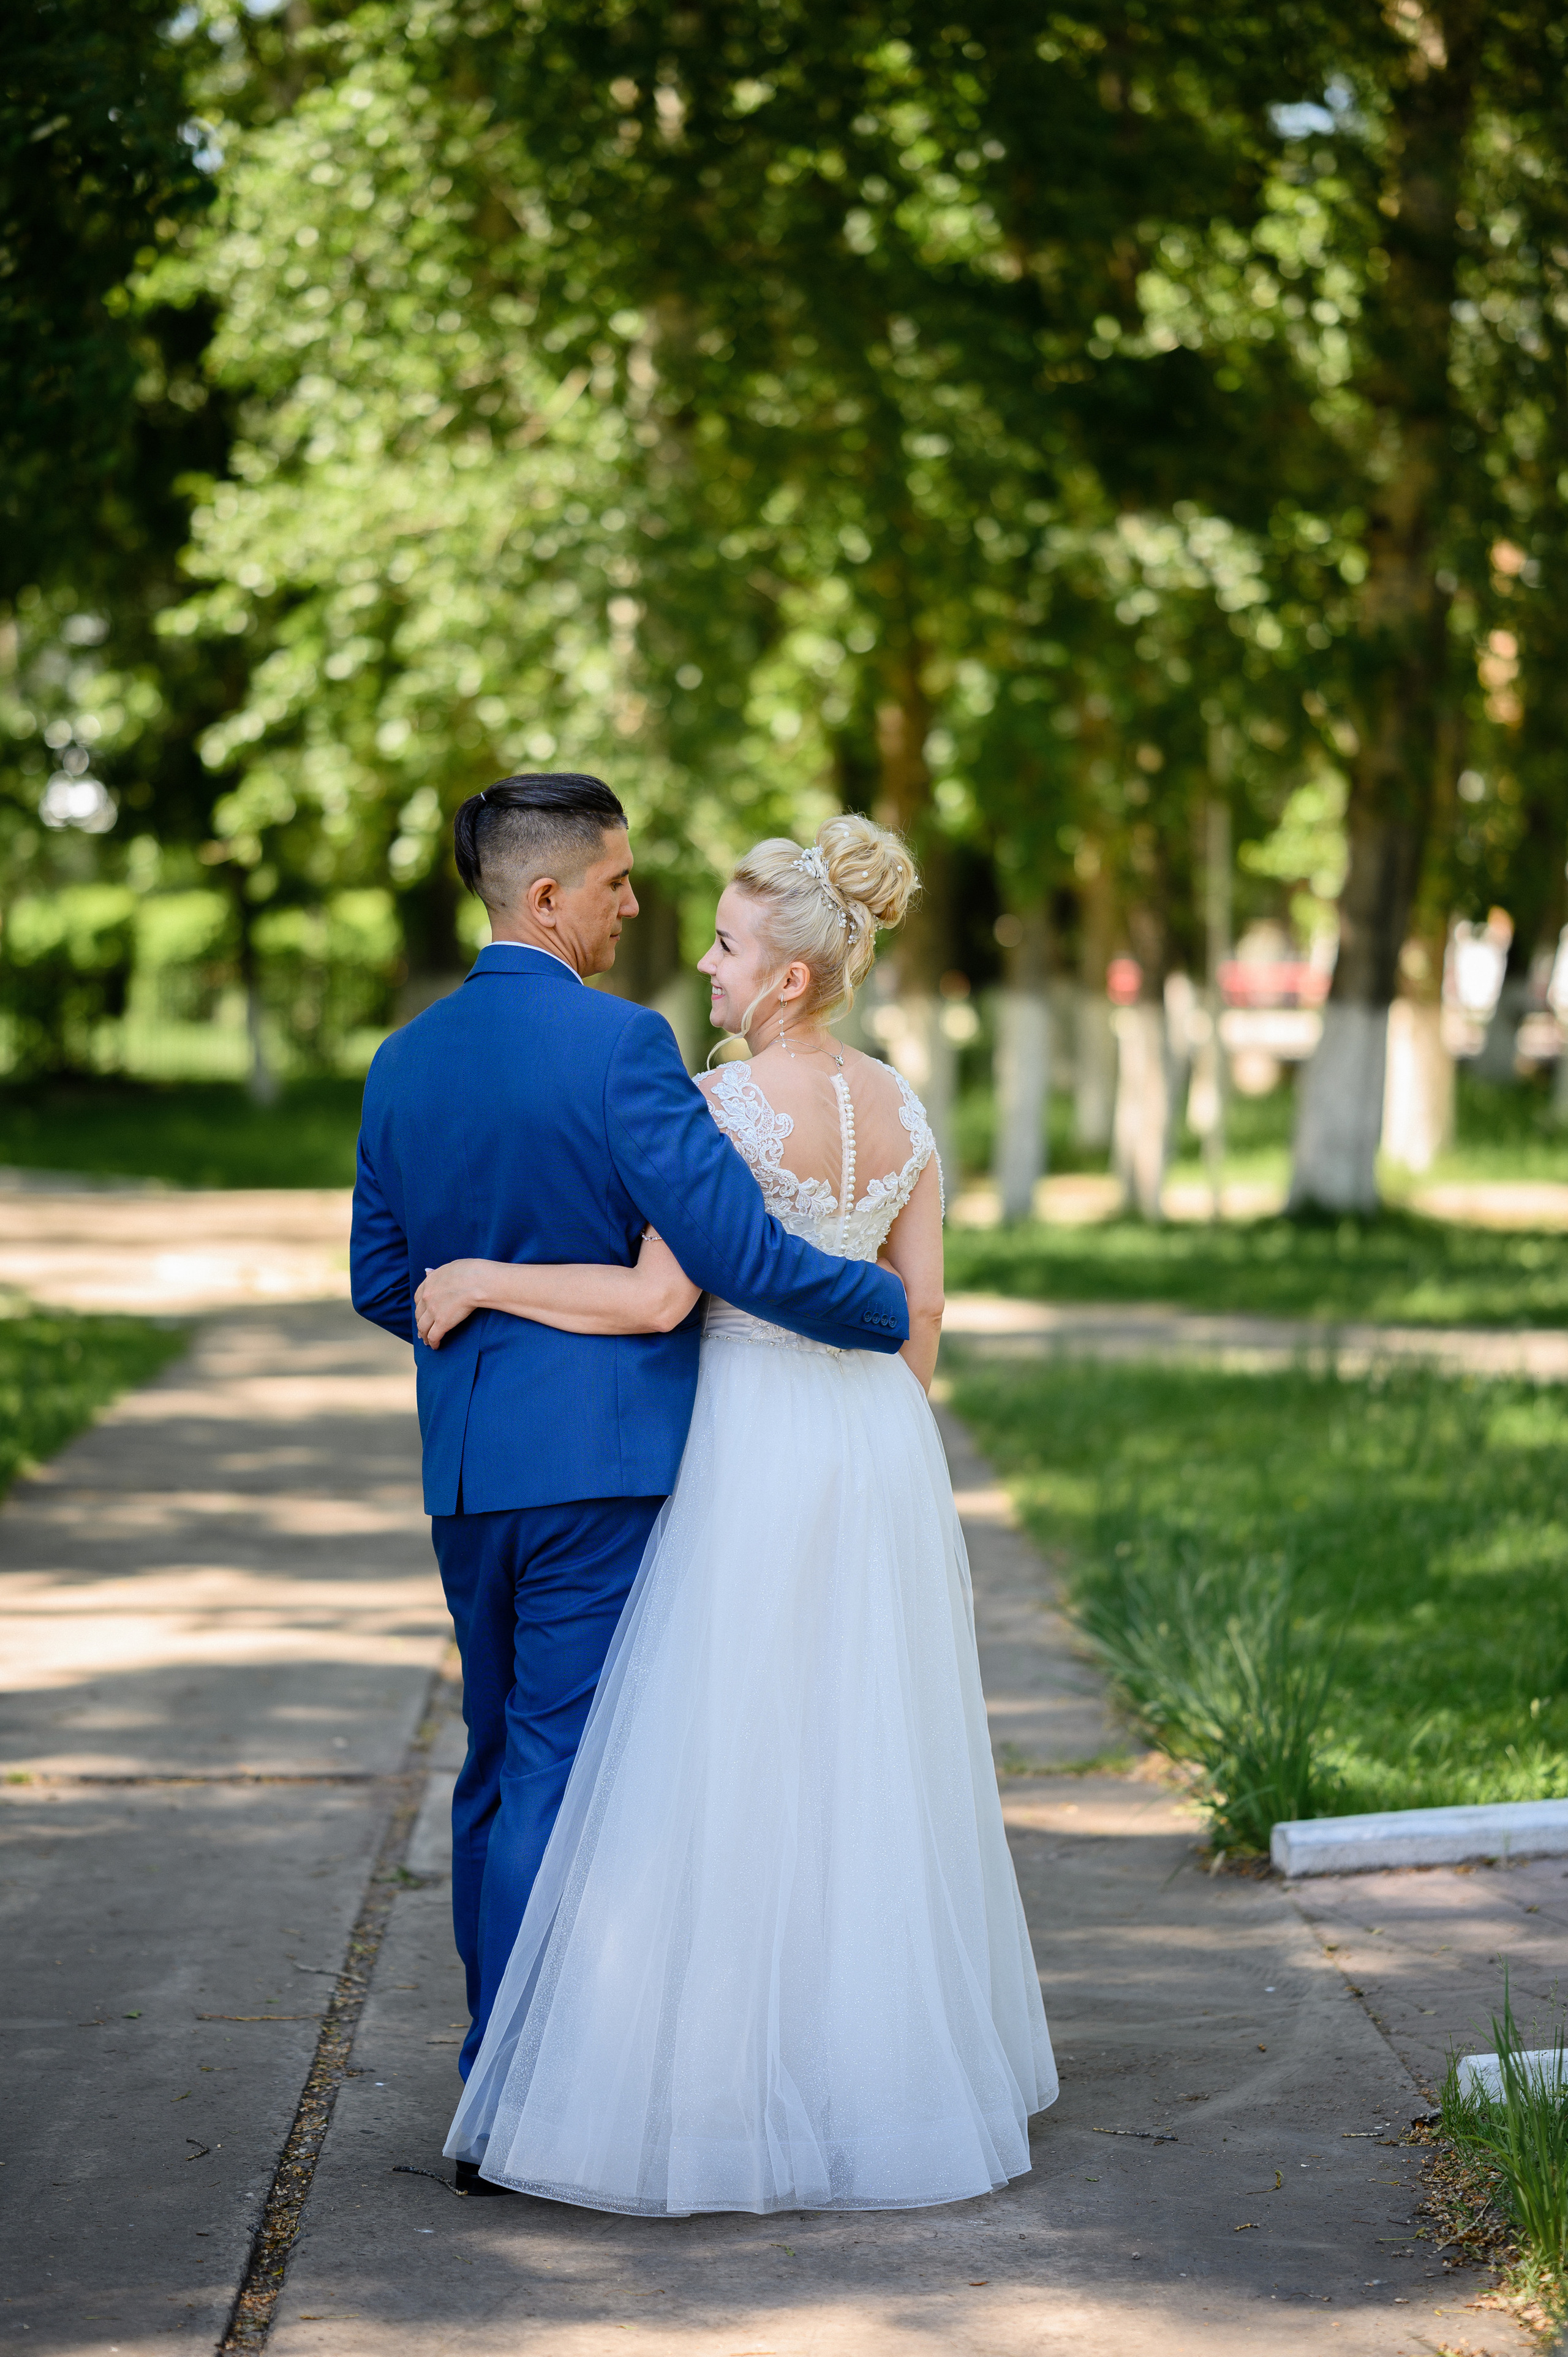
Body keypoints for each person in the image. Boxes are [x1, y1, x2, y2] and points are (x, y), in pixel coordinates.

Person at [418, 813, 1057, 2216]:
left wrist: (480, 1276)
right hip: (878, 1445)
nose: (702, 965)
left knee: (724, 1763)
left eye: (723, 945)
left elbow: (659, 1299)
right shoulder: (902, 1105)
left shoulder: (718, 1106)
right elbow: (920, 1315)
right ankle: (871, 2074)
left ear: (786, 976)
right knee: (862, 1759)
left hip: (749, 1440)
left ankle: (718, 2079)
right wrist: (870, 1433)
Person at [350, 773, 911, 2193]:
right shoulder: (623, 1047)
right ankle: (529, 2092)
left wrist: (480, 1314)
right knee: (561, 1763)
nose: (635, 905)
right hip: (599, 1466)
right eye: (614, 882)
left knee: (494, 1761)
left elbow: (381, 1279)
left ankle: (492, 2067)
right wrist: (882, 1313)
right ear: (546, 897)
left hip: (467, 1468)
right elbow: (734, 1253)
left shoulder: (400, 1061)